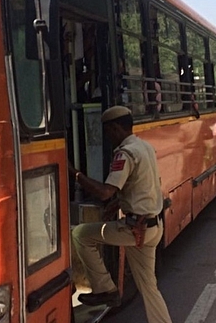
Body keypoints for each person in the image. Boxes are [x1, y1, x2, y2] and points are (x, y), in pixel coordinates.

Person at [68, 106, 172, 323]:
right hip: (153, 227)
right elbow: (141, 186)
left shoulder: (124, 153)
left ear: (116, 129)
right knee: (149, 287)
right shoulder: (145, 147)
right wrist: (119, 202)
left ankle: (105, 289)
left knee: (81, 234)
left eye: (108, 132)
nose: (107, 138)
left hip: (133, 230)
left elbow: (105, 192)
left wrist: (75, 173)